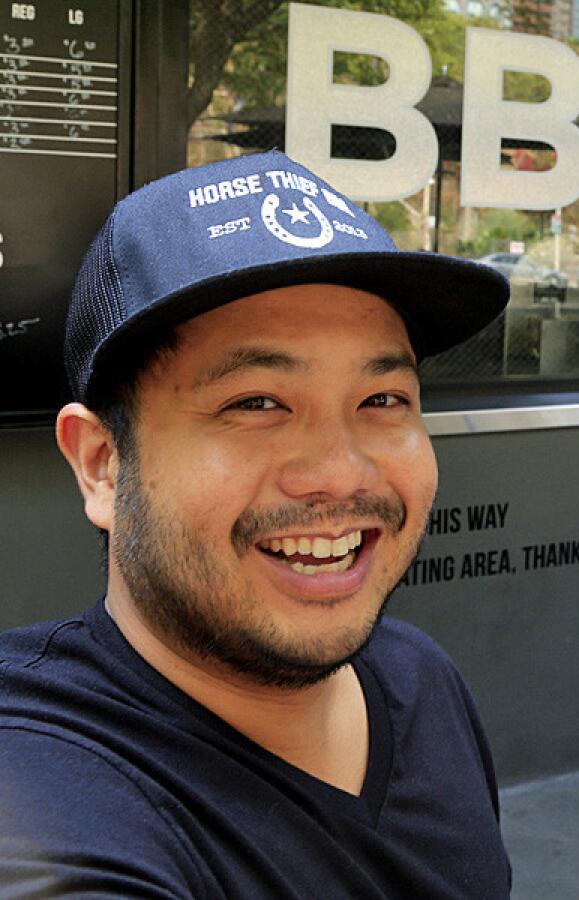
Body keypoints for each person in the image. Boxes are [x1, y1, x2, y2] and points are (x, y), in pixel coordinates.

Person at [0, 151, 513, 897]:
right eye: (256, 404)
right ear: (102, 464)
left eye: (383, 401)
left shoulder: (417, 676)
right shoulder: (38, 789)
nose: (341, 474)